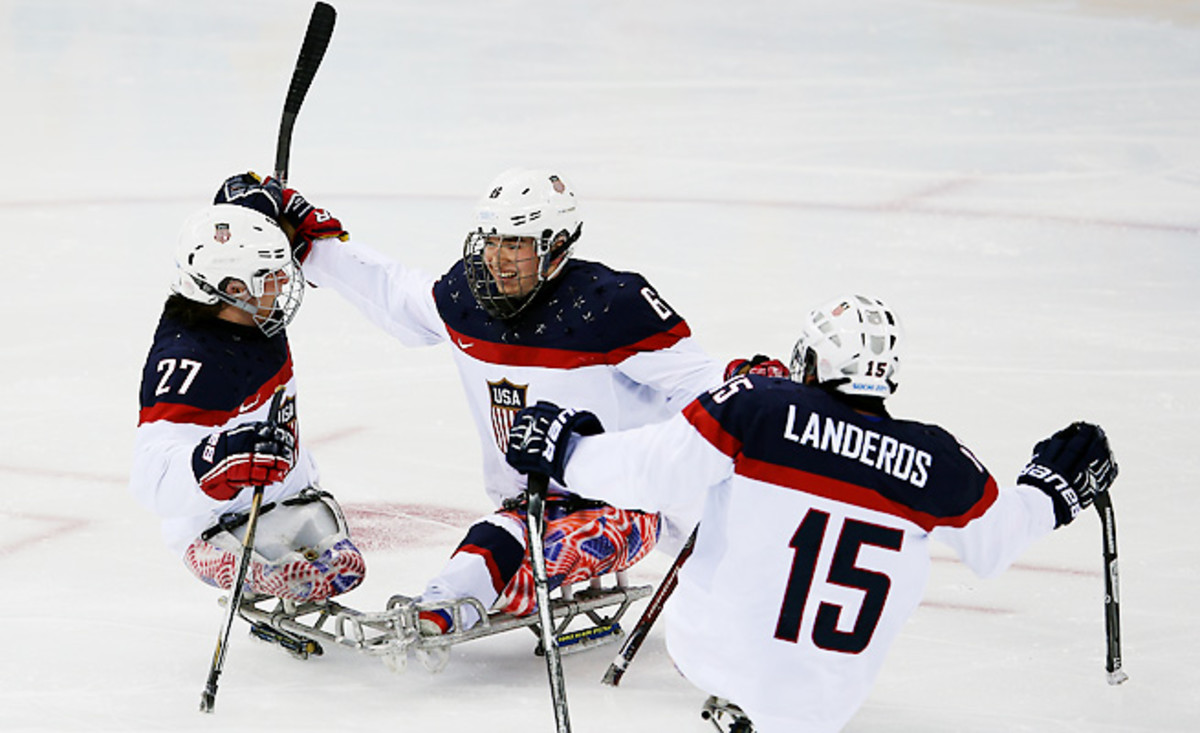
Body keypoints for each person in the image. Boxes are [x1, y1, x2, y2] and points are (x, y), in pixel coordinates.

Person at [505, 293, 1118, 733]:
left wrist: (568, 450)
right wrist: (1052, 489)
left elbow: (652, 472)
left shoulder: (760, 407)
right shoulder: (937, 458)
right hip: (826, 704)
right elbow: (997, 540)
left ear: (812, 362)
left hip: (712, 655)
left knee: (715, 491)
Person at [213, 168, 748, 633]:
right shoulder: (466, 299)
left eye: (517, 243)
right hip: (525, 511)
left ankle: (447, 606)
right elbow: (390, 290)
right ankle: (444, 607)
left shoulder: (612, 308)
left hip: (627, 509)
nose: (498, 259)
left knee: (511, 548)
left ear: (557, 243)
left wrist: (759, 389)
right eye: (492, 239)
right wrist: (301, 241)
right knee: (506, 538)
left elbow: (700, 383)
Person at [130, 195, 365, 605]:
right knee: (298, 578)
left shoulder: (249, 311)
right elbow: (152, 478)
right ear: (234, 288)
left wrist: (258, 201)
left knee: (345, 568)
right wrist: (216, 463)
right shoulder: (191, 361)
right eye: (271, 275)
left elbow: (224, 229)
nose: (284, 283)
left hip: (288, 493)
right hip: (212, 524)